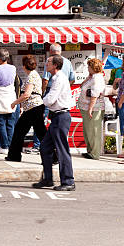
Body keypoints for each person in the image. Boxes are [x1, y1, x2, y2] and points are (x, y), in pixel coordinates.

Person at [32, 55, 75, 191]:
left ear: (55, 65)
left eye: (49, 62)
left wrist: (38, 101)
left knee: (62, 150)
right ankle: (47, 179)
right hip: (56, 116)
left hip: (61, 116)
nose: (46, 64)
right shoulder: (55, 78)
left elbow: (50, 100)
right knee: (45, 147)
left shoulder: (59, 79)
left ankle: (68, 181)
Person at [33, 43, 76, 152]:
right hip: (63, 96)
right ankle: (53, 147)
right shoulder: (68, 62)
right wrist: (65, 89)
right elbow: (72, 79)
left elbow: (45, 80)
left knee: (41, 119)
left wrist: (42, 94)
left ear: (51, 52)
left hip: (51, 92)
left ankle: (38, 144)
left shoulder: (51, 61)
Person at [5, 55, 46, 162]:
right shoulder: (34, 75)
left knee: (20, 132)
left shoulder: (31, 76)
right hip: (33, 108)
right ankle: (52, 157)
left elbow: (26, 94)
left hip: (33, 108)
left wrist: (14, 103)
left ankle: (14, 156)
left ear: (24, 66)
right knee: (39, 133)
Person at [0, 49, 17, 154]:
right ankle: (10, 146)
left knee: (0, 124)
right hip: (10, 95)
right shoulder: (13, 68)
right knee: (10, 124)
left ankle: (4, 146)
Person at [78, 58, 106, 160]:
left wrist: (90, 108)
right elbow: (82, 86)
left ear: (93, 67)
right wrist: (87, 78)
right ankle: (90, 151)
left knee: (94, 131)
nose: (87, 68)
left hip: (94, 108)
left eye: (89, 66)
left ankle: (95, 153)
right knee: (88, 131)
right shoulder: (92, 77)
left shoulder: (97, 78)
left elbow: (95, 94)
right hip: (86, 107)